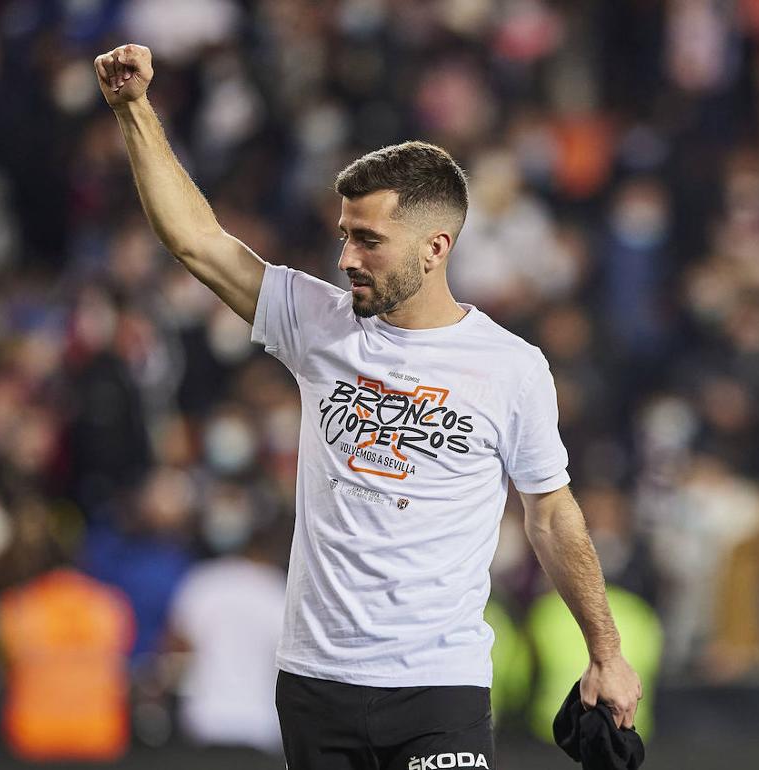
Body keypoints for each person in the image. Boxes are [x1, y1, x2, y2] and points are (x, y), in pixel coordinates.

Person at [95, 43, 641, 770]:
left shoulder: (510, 367)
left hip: (438, 686)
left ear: (435, 247)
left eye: (370, 240)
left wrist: (606, 653)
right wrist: (134, 109)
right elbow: (195, 240)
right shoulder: (315, 321)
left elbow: (551, 514)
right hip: (316, 682)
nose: (347, 256)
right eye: (345, 234)